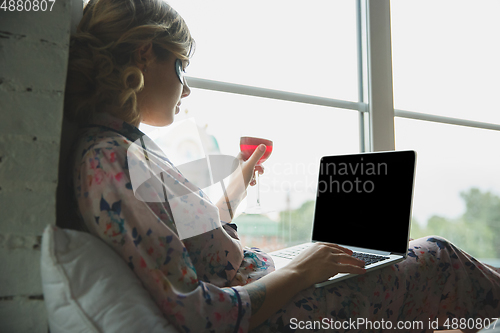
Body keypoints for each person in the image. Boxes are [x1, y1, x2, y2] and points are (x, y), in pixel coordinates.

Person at [63, 0, 500, 332]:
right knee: (437, 255)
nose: (186, 87)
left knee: (395, 253)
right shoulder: (110, 164)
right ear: (143, 56)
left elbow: (198, 247)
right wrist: (302, 269)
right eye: (180, 67)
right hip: (277, 308)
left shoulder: (123, 150)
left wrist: (236, 187)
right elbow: (200, 312)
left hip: (267, 278)